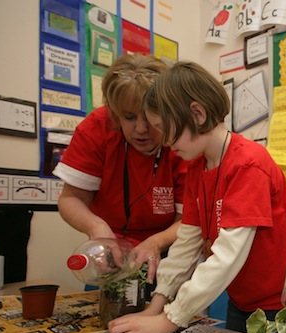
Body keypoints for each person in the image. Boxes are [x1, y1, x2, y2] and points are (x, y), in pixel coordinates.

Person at [107, 61, 286, 333]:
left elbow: (227, 256)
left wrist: (170, 320)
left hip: (280, 306)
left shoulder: (248, 164)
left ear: (196, 114)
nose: (162, 140)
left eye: (163, 128)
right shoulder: (198, 167)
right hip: (242, 302)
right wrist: (157, 305)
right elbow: (186, 243)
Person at [54, 54, 187, 281]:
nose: (141, 129)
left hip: (167, 249)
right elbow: (70, 199)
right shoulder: (96, 129)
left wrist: (157, 242)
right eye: (129, 117)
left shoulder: (183, 142)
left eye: (151, 119)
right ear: (115, 114)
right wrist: (98, 229)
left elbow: (189, 220)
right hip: (109, 248)